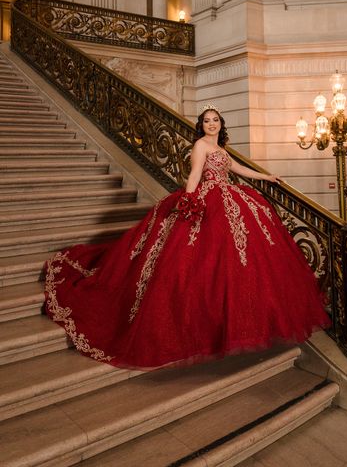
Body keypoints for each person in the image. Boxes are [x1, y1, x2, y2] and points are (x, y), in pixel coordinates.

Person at [44, 105, 331, 369]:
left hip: (229, 196)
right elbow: (194, 174)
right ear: (201, 125)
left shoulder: (221, 147)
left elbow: (236, 170)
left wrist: (266, 177)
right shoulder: (200, 146)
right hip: (207, 197)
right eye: (206, 121)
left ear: (221, 124)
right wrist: (191, 201)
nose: (211, 124)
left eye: (215, 120)